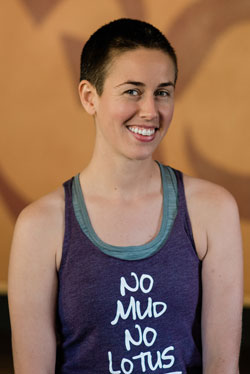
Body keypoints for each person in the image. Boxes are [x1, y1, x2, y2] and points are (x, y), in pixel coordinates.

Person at [8, 18, 243, 374]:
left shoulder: (213, 210)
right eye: (132, 91)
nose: (150, 111)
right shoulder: (40, 226)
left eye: (162, 92)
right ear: (90, 97)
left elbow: (222, 367)